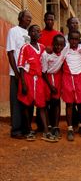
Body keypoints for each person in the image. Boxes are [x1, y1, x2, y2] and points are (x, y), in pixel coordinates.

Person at [17, 25, 57, 142]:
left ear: (40, 34)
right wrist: (23, 83)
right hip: (28, 78)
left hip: (39, 80)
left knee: (42, 106)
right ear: (29, 34)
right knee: (26, 105)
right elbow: (21, 66)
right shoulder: (25, 47)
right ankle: (29, 130)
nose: (36, 33)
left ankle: (45, 131)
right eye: (33, 31)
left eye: (38, 31)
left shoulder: (43, 48)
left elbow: (49, 58)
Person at [6, 10, 32, 138]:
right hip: (16, 73)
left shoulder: (28, 33)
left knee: (25, 102)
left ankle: (25, 128)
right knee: (16, 102)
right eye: (27, 17)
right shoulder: (13, 31)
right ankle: (16, 130)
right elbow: (10, 52)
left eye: (30, 18)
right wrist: (16, 73)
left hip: (27, 74)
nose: (29, 20)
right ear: (20, 18)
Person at [62, 30, 81, 141]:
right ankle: (70, 128)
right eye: (72, 39)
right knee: (69, 104)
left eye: (76, 39)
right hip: (67, 77)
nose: (74, 41)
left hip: (79, 77)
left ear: (79, 39)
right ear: (68, 39)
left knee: (80, 103)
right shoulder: (64, 49)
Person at [41, 34, 66, 139]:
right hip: (46, 79)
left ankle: (56, 126)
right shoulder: (46, 54)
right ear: (52, 44)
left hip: (57, 78)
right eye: (56, 45)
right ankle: (48, 125)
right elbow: (44, 72)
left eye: (61, 45)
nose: (58, 47)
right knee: (46, 103)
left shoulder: (64, 52)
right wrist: (50, 86)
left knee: (56, 103)